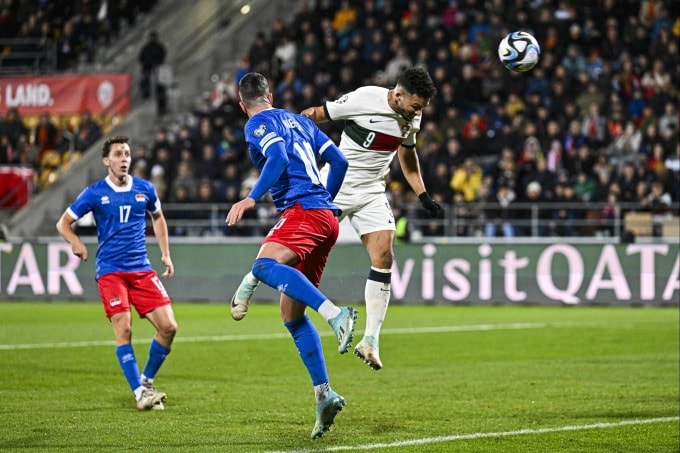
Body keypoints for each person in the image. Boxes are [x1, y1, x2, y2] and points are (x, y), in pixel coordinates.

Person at [231, 66, 442, 371]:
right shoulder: (365, 98)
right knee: (289, 259)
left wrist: (422, 194)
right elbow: (316, 114)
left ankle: (370, 340)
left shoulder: (413, 117)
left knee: (384, 255)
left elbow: (407, 156)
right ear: (398, 95)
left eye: (421, 108)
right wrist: (294, 135)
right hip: (337, 186)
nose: (417, 112)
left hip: (372, 190)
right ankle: (253, 277)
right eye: (415, 106)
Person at [226, 72, 356, 440]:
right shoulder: (299, 120)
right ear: (271, 94)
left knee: (264, 265)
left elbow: (279, 156)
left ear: (242, 105)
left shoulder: (257, 123)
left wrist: (252, 197)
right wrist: (328, 205)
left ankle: (336, 314)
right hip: (325, 217)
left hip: (302, 210)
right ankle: (324, 394)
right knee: (290, 313)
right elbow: (340, 163)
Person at [55, 135, 178, 411]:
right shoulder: (95, 193)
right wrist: (75, 242)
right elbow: (63, 223)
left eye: (127, 154)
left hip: (142, 270)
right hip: (111, 271)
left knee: (169, 327)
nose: (124, 159)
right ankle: (139, 393)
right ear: (106, 161)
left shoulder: (145, 189)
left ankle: (145, 380)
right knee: (124, 329)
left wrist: (166, 254)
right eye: (119, 155)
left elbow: (158, 217)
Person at [138, 30, 166, 100]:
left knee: (159, 79)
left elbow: (162, 55)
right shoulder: (146, 47)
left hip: (156, 65)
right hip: (147, 66)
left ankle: (159, 92)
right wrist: (144, 62)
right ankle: (146, 92)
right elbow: (141, 56)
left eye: (154, 37)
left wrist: (158, 62)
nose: (152, 39)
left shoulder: (159, 47)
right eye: (151, 37)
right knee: (145, 79)